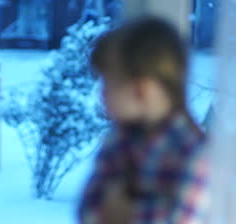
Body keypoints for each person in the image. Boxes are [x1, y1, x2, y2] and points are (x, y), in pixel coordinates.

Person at [78, 17, 209, 224]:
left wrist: (120, 210)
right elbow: (87, 210)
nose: (101, 95)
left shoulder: (193, 152)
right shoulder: (118, 140)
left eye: (109, 85)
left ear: (141, 90)